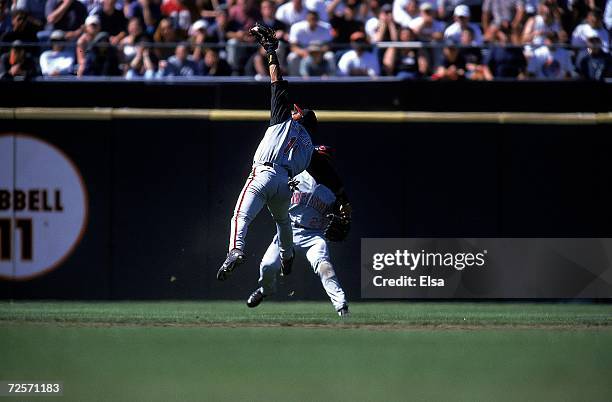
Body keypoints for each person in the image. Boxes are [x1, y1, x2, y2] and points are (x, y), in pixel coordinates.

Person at [218, 23, 346, 284]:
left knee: (241, 214)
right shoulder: (310, 151)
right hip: (283, 185)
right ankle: (287, 257)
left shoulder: (284, 121)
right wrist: (344, 203)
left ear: (300, 117)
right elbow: (330, 178)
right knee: (282, 222)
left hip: (264, 173)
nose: (294, 112)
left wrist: (271, 51)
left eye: (298, 112)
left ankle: (236, 250)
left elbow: (276, 80)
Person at [247, 146, 351, 317]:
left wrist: (343, 221)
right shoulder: (294, 176)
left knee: (324, 267)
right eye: (318, 158)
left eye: (324, 160)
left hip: (314, 236)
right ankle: (266, 289)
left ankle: (341, 306)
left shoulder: (334, 191)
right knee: (267, 266)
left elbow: (345, 219)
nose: (320, 163)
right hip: (287, 230)